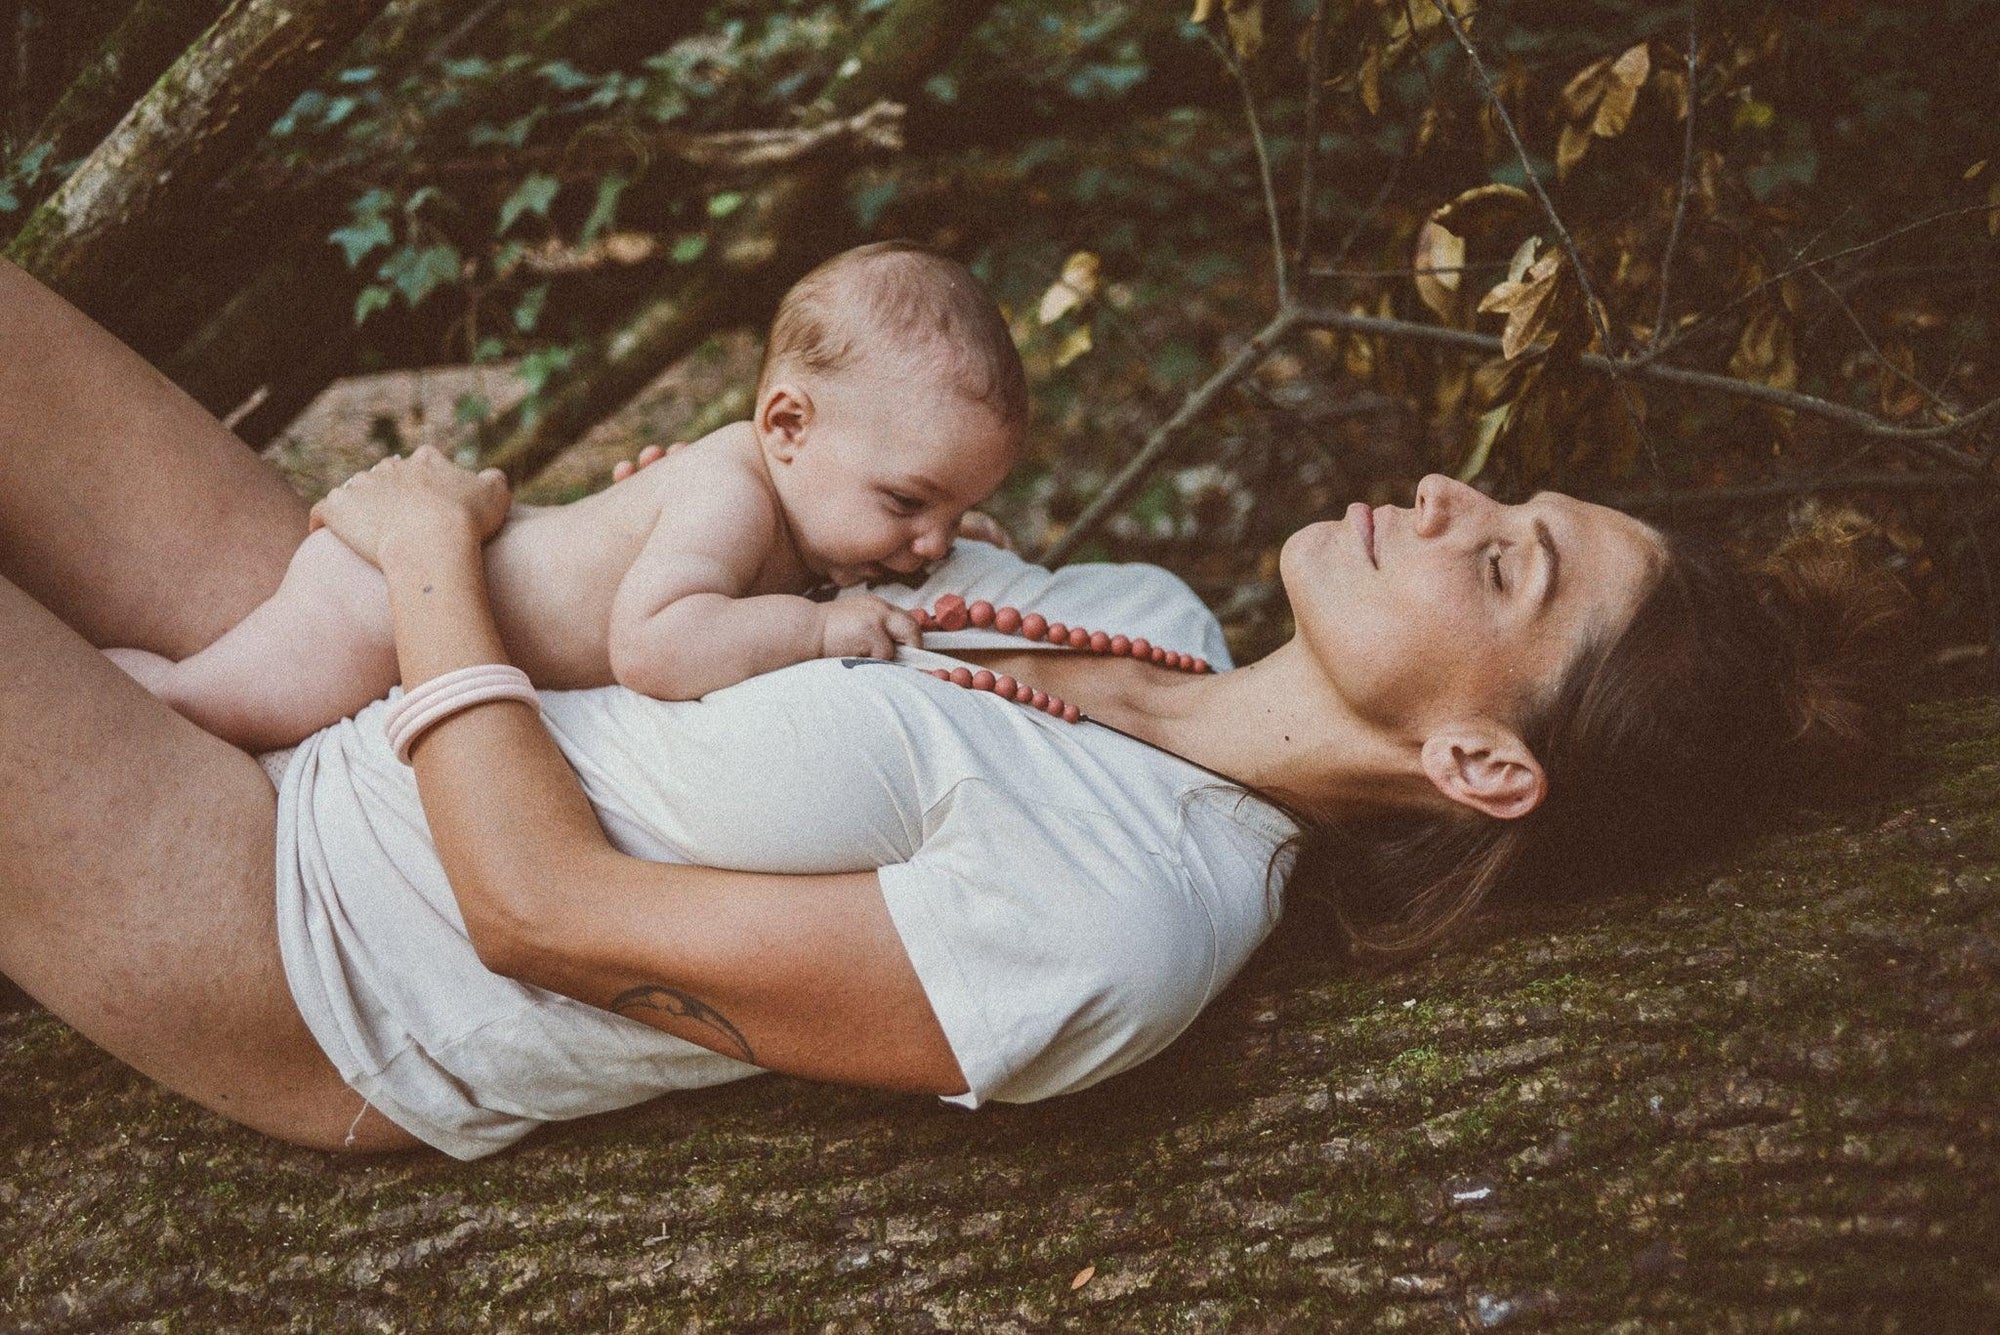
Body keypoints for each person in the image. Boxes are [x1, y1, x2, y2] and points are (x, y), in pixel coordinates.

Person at [0, 256, 1902, 1159]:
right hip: (337, 668)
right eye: (1505, 506)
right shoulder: (1128, 606)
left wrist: (425, 553)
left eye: (1505, 570)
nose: (1447, 503)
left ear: (1480, 762)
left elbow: (545, 918)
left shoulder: (1125, 928)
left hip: (312, 928)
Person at [102, 241, 1026, 751]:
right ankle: (80, 684)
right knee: (203, 710)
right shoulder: (734, 493)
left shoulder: (800, 500)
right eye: (909, 502)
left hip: (422, 597)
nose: (930, 541)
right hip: (377, 602)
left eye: (954, 511)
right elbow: (656, 644)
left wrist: (952, 528)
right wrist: (816, 629)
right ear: (787, 426)